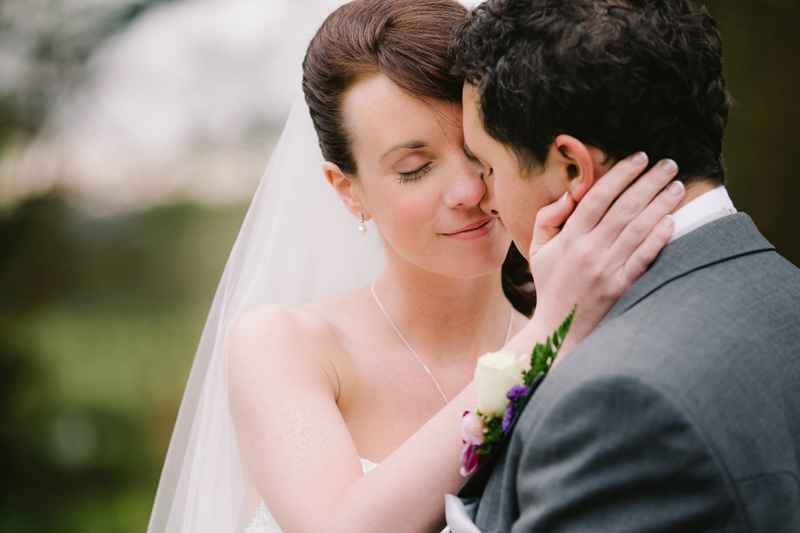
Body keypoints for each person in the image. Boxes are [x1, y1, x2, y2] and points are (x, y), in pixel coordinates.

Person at [147, 1, 684, 532]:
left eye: (481, 151)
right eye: (415, 168)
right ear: (348, 190)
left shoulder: (593, 337)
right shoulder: (284, 344)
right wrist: (546, 334)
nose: (469, 190)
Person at [446, 0, 800, 531]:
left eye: (489, 166)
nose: (486, 199)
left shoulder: (615, 401)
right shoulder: (783, 290)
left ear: (571, 167)